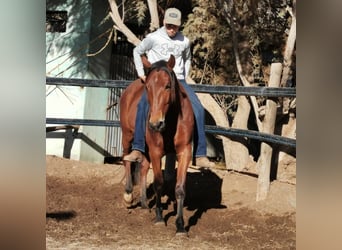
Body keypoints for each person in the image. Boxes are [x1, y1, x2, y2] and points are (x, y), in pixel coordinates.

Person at [123, 8, 215, 168]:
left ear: (180, 26)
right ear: (164, 22)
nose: (172, 29)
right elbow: (137, 51)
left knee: (199, 109)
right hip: (157, 81)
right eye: (169, 25)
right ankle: (138, 148)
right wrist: (141, 74)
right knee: (143, 105)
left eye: (175, 26)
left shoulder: (184, 41)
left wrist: (183, 75)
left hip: (178, 80)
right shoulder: (153, 38)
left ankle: (200, 154)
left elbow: (187, 58)